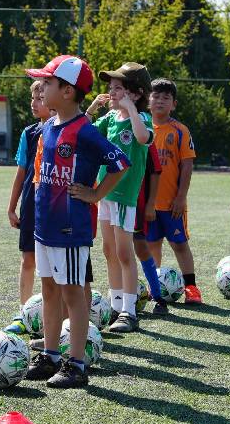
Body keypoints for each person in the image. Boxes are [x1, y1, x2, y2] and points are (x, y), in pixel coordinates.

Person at [21, 55, 128, 388]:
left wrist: (96, 195)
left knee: (73, 295)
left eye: (49, 83)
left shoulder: (85, 130)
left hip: (70, 230)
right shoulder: (48, 126)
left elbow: (120, 163)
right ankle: (51, 355)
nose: (43, 88)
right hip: (44, 228)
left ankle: (77, 364)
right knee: (49, 292)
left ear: (67, 92)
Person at [86, 62, 154, 333]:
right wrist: (93, 108)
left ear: (135, 94)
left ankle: (129, 310)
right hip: (105, 193)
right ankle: (115, 306)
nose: (111, 93)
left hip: (125, 197)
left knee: (125, 253)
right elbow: (86, 130)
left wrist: (133, 110)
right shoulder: (110, 119)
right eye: (110, 89)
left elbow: (142, 137)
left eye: (118, 89)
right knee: (108, 250)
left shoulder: (142, 119)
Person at [144, 79, 202, 304]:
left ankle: (191, 288)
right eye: (156, 96)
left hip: (171, 203)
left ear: (174, 104)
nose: (160, 101)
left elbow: (187, 165)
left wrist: (181, 197)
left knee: (179, 244)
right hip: (148, 202)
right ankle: (155, 287)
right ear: (148, 100)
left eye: (165, 97)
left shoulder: (180, 130)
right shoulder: (142, 127)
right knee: (152, 244)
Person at [4, 81, 51, 334]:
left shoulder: (63, 129)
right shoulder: (29, 133)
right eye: (32, 97)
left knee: (51, 264)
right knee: (28, 259)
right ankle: (24, 312)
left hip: (53, 204)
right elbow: (21, 173)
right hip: (31, 203)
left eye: (40, 97)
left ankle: (51, 313)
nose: (34, 102)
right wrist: (12, 207)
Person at [132, 143, 165, 315]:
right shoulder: (111, 124)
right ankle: (121, 300)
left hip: (137, 202)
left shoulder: (144, 134)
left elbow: (155, 172)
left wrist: (151, 203)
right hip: (112, 200)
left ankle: (158, 296)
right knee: (114, 250)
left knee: (141, 247)